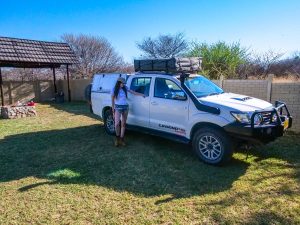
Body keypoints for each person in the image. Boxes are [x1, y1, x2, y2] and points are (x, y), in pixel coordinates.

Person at [111, 77, 145, 147]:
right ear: (119, 83)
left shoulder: (125, 88)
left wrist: (142, 94)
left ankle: (122, 139)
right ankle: (117, 139)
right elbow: (112, 101)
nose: (123, 84)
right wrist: (113, 110)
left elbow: (133, 92)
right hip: (117, 107)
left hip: (125, 107)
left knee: (123, 124)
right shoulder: (114, 89)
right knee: (117, 124)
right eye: (122, 83)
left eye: (124, 83)